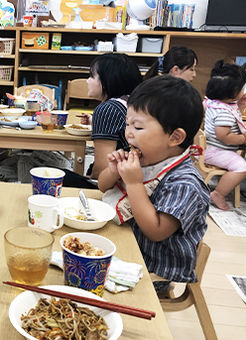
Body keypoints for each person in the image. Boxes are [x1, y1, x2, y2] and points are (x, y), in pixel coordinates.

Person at [98, 76, 209, 293]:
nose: (128, 133)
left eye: (138, 127)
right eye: (127, 124)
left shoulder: (185, 183)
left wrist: (134, 183)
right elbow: (102, 187)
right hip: (127, 240)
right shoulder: (147, 158)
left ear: (175, 137)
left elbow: (156, 231)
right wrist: (113, 171)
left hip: (153, 269)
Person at [68, 53, 142, 184]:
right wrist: (95, 121)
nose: (87, 81)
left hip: (118, 186)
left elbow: (101, 170)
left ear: (109, 80)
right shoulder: (132, 101)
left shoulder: (108, 109)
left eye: (92, 76)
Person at [203, 60, 246, 210]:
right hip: (216, 151)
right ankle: (218, 193)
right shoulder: (224, 112)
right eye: (241, 88)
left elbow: (230, 117)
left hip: (211, 148)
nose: (243, 91)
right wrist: (243, 138)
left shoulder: (215, 103)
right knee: (242, 167)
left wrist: (239, 106)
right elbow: (223, 135)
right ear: (231, 93)